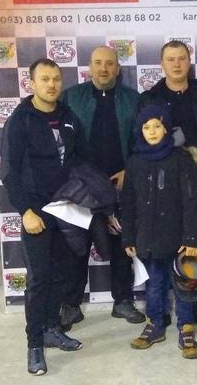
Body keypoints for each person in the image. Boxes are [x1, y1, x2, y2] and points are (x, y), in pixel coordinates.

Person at [0, 59, 86, 375]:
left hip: (66, 208)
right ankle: (34, 345)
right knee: (39, 279)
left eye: (56, 79)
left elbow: (80, 160)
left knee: (62, 274)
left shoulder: (69, 118)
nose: (51, 85)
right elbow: (9, 173)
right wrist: (25, 211)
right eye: (45, 79)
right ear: (32, 83)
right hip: (36, 211)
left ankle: (52, 328)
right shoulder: (20, 121)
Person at [136, 39, 197, 329]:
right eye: (170, 59)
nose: (176, 64)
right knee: (158, 254)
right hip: (159, 191)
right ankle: (158, 312)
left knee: (193, 249)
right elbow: (139, 142)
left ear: (189, 61)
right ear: (162, 64)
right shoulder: (149, 99)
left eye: (182, 58)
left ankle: (195, 308)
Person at [61, 46, 145, 326]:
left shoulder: (133, 99)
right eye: (98, 63)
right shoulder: (71, 97)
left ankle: (122, 302)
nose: (103, 68)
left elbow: (144, 140)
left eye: (109, 63)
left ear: (118, 69)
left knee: (122, 245)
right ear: (90, 66)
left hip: (120, 185)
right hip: (81, 186)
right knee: (76, 247)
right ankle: (70, 305)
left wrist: (130, 170)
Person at [121, 103, 197, 359]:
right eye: (147, 127)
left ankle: (186, 328)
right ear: (140, 131)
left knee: (184, 285)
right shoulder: (134, 162)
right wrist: (128, 236)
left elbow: (192, 201)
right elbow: (128, 203)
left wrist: (191, 238)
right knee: (154, 284)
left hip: (179, 238)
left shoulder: (182, 159)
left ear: (166, 128)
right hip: (148, 237)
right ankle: (155, 324)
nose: (152, 131)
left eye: (157, 126)